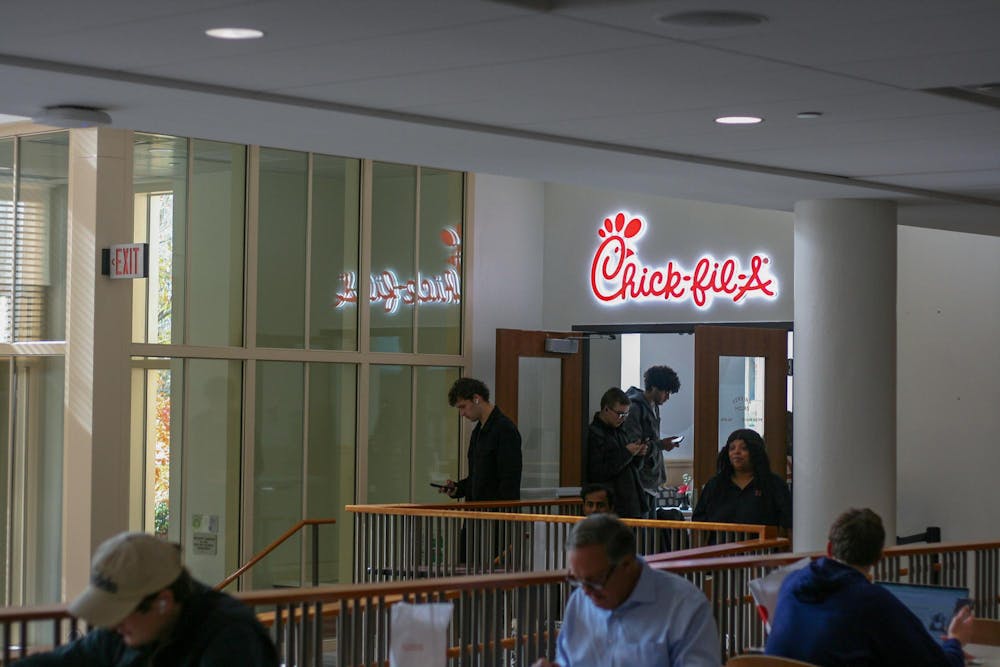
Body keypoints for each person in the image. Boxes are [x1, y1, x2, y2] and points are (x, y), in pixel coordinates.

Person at [17, 531, 278, 666]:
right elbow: (64, 661)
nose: (113, 625)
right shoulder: (128, 632)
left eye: (121, 611)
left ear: (163, 602)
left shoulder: (232, 637)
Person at [765, 508, 972, 666]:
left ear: (829, 548)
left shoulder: (791, 582)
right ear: (879, 557)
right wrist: (955, 642)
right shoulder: (872, 602)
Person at [531, 513, 720, 667]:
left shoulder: (685, 606)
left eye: (595, 580)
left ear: (627, 564)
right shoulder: (580, 600)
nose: (586, 592)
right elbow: (568, 660)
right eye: (577, 580)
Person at [693, 428, 791, 530]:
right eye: (732, 448)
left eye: (744, 448)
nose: (736, 452)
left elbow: (787, 521)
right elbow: (698, 520)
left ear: (756, 452)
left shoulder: (773, 484)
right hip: (721, 540)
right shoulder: (715, 484)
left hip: (762, 540)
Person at [440, 377, 522, 501]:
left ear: (476, 399)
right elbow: (478, 478)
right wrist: (457, 488)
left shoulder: (505, 429)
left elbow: (509, 482)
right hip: (477, 510)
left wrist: (500, 512)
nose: (462, 413)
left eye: (463, 406)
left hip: (494, 511)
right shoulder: (478, 431)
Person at [622, 365, 682, 515]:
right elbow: (636, 446)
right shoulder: (635, 408)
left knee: (650, 528)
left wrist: (662, 445)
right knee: (641, 527)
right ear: (654, 387)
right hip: (639, 482)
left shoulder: (654, 406)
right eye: (666, 392)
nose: (667, 397)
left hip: (651, 481)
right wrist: (661, 445)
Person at [585, 388, 648, 519]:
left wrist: (639, 455)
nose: (622, 419)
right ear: (606, 409)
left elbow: (634, 468)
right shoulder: (594, 434)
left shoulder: (621, 431)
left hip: (632, 501)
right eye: (619, 414)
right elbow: (598, 472)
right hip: (612, 505)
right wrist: (627, 453)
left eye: (626, 414)